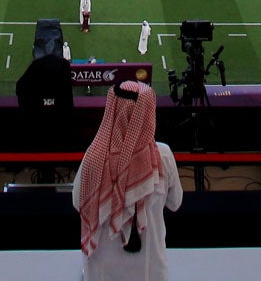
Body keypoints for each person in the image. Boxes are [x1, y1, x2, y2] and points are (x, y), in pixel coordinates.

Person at [74, 80, 182, 281]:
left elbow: (77, 202)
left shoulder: (93, 157)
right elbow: (175, 203)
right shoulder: (164, 156)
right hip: (151, 273)